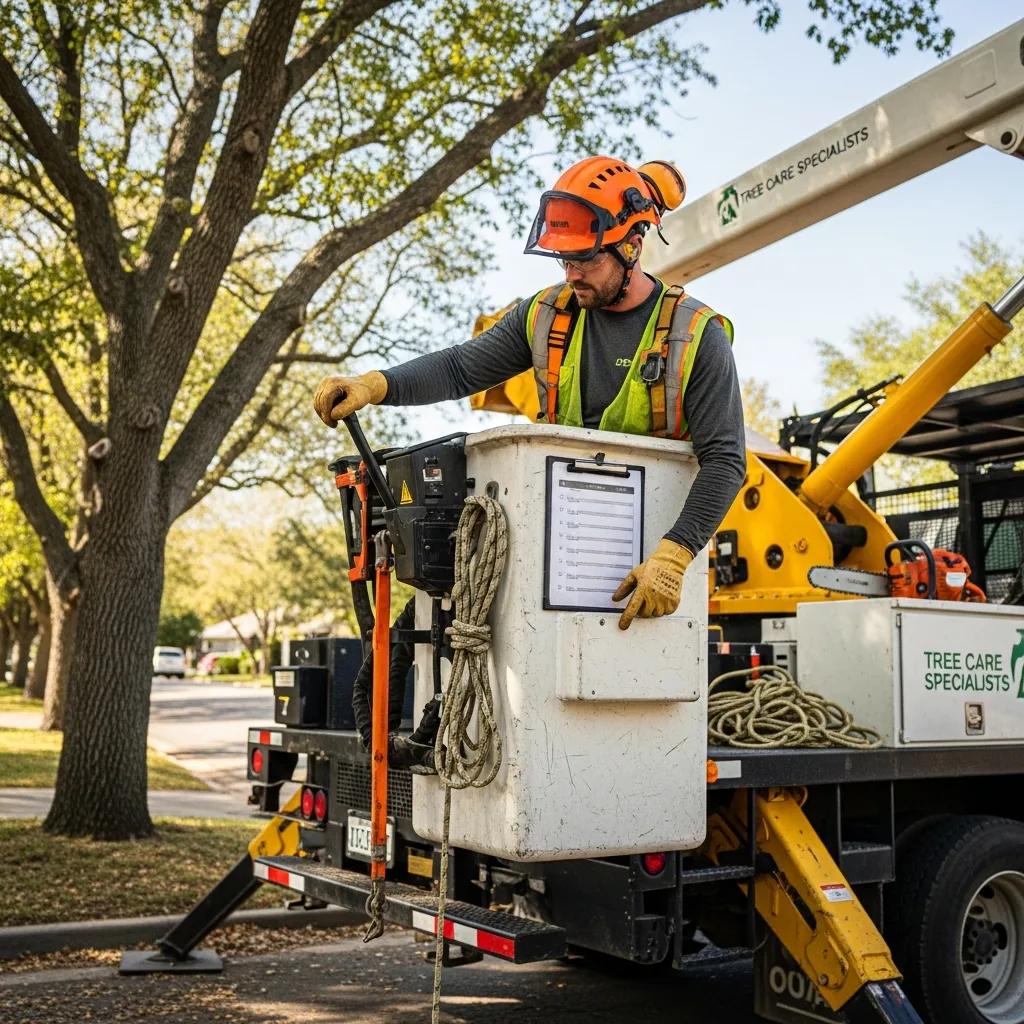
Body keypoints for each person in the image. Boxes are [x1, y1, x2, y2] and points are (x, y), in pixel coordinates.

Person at [314, 155, 746, 630]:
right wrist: (377, 385)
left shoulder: (697, 334)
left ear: (632, 245)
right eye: (565, 258)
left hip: (645, 573)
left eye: (586, 258)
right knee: (411, 652)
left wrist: (675, 555)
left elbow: (725, 460)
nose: (571, 274)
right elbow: (461, 367)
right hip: (556, 557)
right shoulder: (547, 314)